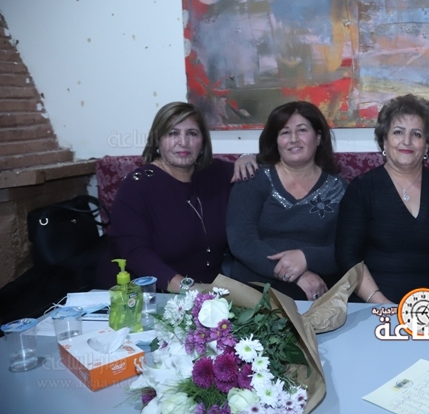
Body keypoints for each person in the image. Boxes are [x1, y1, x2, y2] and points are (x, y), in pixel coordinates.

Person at [335, 94, 429, 305]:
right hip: (374, 307)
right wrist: (382, 304)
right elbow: (347, 255)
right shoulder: (361, 189)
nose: (406, 141)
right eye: (398, 132)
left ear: (427, 145)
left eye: (416, 134)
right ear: (384, 139)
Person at [98, 102, 236, 293]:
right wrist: (188, 288)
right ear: (157, 140)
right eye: (172, 133)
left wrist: (248, 159)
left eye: (192, 133)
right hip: (155, 295)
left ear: (203, 141)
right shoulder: (137, 185)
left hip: (211, 295)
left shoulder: (217, 174)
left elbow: (270, 167)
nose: (183, 142)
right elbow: (134, 252)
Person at [227, 101, 346, 301]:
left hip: (318, 291)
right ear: (276, 141)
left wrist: (306, 258)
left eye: (302, 130)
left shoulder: (338, 188)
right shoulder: (252, 179)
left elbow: (346, 248)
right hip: (256, 288)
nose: (293, 139)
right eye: (284, 132)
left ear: (318, 137)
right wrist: (294, 274)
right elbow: (242, 242)